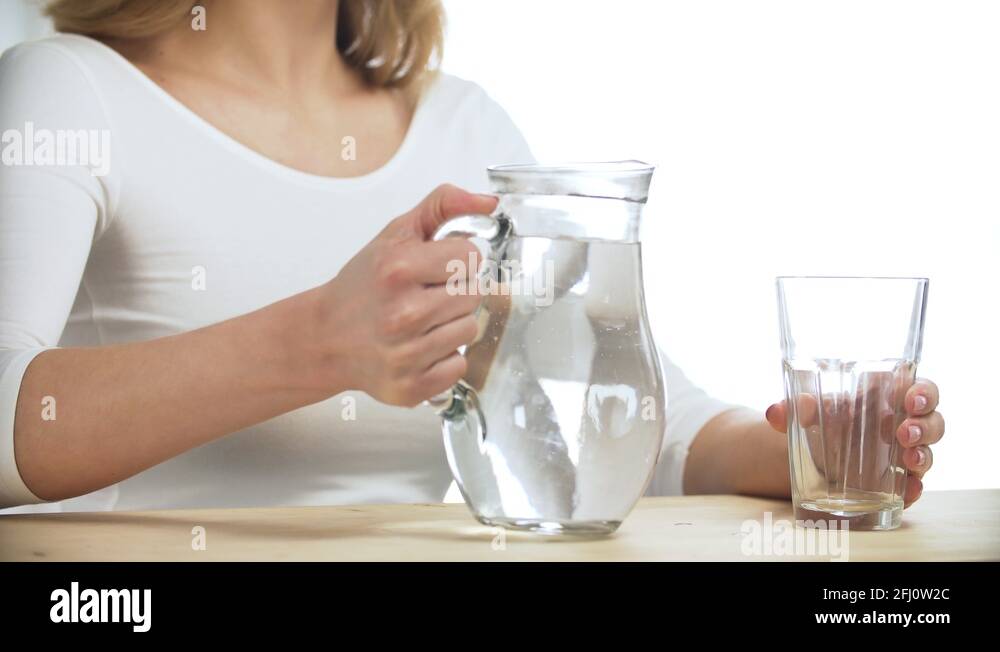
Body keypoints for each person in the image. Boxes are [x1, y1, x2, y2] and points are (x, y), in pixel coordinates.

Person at [0, 0, 943, 512]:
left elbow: (612, 410)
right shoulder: (69, 93)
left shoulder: (465, 126)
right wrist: (317, 345)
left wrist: (799, 450)